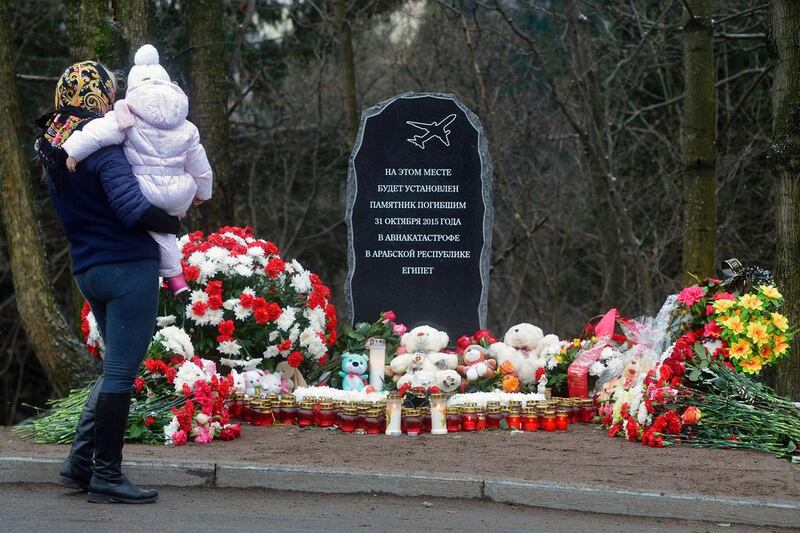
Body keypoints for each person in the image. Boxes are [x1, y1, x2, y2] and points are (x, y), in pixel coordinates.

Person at [35, 60, 179, 504]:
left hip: (88, 270)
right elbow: (132, 209)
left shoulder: (53, 147)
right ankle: (107, 475)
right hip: (126, 268)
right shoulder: (102, 147)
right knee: (121, 372)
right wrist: (171, 220)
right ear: (98, 97)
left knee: (113, 365)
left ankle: (79, 464)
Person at [63, 44, 213, 299]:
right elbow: (199, 161)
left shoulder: (126, 110)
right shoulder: (186, 124)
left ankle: (164, 276)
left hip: (145, 188)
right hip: (179, 193)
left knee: (152, 228)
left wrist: (73, 151)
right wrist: (203, 192)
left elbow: (99, 133)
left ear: (133, 86)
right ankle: (176, 278)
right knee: (164, 228)